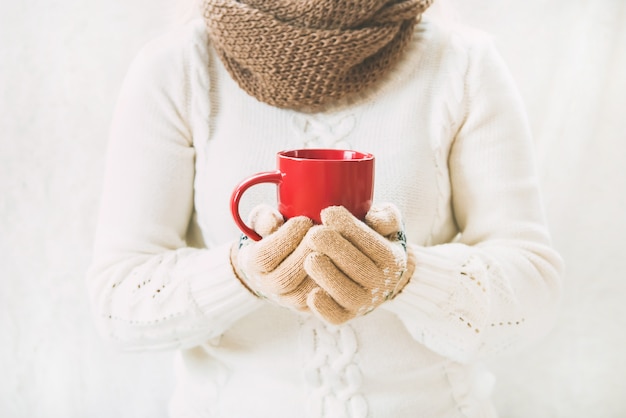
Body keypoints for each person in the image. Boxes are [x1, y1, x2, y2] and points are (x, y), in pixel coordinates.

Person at [86, 0, 564, 416]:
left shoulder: (462, 65)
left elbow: (534, 293)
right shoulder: (177, 69)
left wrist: (406, 276)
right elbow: (116, 303)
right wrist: (243, 272)